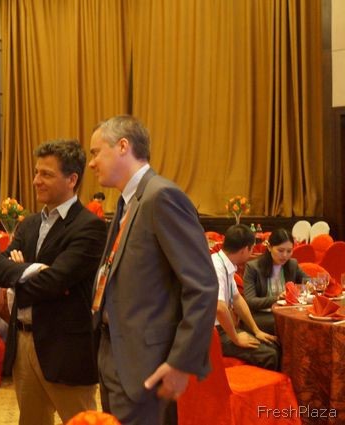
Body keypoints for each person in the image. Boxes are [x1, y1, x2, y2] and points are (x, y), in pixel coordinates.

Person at [88, 115, 218, 425]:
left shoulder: (161, 196)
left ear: (123, 146)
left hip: (145, 365)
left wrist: (181, 363)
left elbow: (202, 286)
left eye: (95, 152)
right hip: (115, 354)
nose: (91, 163)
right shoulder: (127, 202)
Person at [0, 139, 107, 425]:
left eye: (46, 174)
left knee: (81, 421)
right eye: (36, 172)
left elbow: (54, 281)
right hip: (23, 344)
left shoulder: (89, 226)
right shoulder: (29, 224)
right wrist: (34, 270)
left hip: (65, 348)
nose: (36, 181)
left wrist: (18, 274)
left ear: (72, 179)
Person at [212, 224, 279, 370]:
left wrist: (256, 330)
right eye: (252, 248)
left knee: (274, 345)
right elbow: (219, 308)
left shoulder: (224, 263)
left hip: (222, 327)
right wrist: (236, 338)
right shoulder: (216, 268)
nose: (252, 252)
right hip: (211, 334)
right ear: (244, 250)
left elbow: (237, 299)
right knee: (270, 354)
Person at [243, 228, 309, 335]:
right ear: (269, 247)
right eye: (280, 250)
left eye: (289, 251)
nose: (285, 255)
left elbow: (308, 281)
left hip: (287, 313)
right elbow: (250, 301)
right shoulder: (253, 267)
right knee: (291, 324)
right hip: (261, 315)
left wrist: (310, 286)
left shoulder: (292, 264)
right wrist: (277, 298)